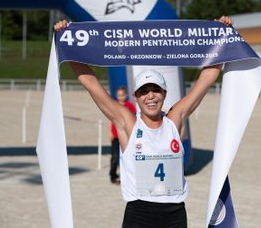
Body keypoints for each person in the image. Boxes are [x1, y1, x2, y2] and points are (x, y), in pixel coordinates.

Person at [54, 15, 233, 228]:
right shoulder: (128, 123)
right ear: (136, 97)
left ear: (165, 94)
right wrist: (68, 42)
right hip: (139, 214)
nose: (151, 96)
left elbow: (206, 79)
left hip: (174, 214)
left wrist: (223, 35)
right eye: (144, 91)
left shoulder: (175, 120)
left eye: (156, 90)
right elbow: (92, 85)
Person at [110, 86, 136, 185]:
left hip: (127, 136)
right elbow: (111, 119)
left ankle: (126, 176)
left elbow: (133, 117)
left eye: (123, 95)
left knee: (127, 157)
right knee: (115, 157)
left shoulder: (130, 106)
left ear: (126, 95)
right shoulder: (114, 105)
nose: (121, 97)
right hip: (116, 136)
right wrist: (110, 132)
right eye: (119, 95)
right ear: (117, 96)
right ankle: (113, 175)